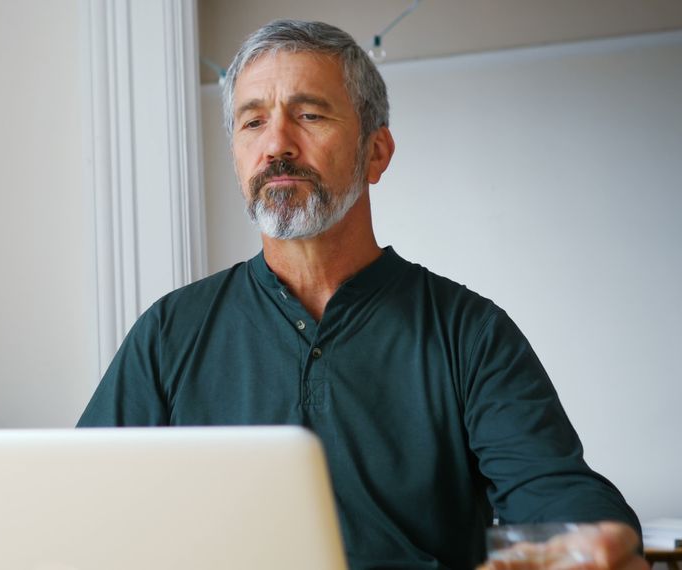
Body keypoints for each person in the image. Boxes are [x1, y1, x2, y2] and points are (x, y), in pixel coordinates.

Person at [77, 19, 644, 570]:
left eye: (309, 114)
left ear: (376, 152)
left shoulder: (470, 334)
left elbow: (558, 497)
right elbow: (81, 504)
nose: (276, 143)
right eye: (252, 122)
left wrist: (593, 540)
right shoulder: (170, 331)